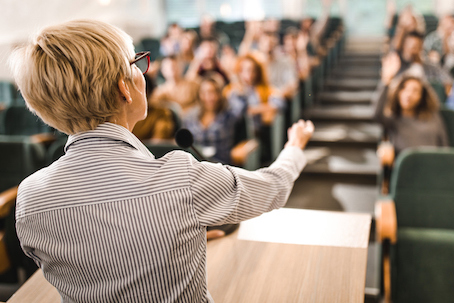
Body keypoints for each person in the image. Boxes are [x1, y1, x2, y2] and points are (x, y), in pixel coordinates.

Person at [10, 19, 314, 302]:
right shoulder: (181, 178)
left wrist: (163, 243)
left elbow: (91, 257)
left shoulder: (29, 199)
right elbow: (274, 187)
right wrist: (294, 146)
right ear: (124, 89)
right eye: (136, 64)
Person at [375, 64, 449, 161]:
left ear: (422, 97)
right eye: (404, 89)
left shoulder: (433, 116)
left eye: (415, 91)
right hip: (408, 169)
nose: (409, 94)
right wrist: (386, 82)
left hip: (433, 165)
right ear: (398, 92)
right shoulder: (394, 119)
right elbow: (377, 114)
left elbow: (444, 144)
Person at [183, 77, 239, 164]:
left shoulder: (228, 115)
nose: (211, 97)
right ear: (199, 94)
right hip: (195, 165)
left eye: (215, 92)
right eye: (206, 92)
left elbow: (241, 106)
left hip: (220, 165)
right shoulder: (190, 117)